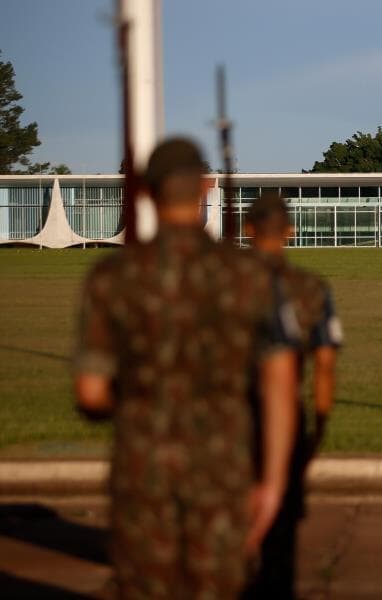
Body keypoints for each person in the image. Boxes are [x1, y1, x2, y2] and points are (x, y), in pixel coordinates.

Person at [73, 138, 299, 599]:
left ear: (144, 191)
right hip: (223, 473)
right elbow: (280, 383)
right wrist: (273, 482)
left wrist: (142, 402)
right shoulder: (253, 276)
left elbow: (91, 393)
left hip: (141, 474)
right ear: (204, 186)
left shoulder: (111, 277)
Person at [241, 191, 343, 600]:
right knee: (280, 541)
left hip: (229, 420)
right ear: (290, 232)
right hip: (286, 419)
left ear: (248, 230)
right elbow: (324, 364)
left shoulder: (223, 284)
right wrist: (319, 424)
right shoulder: (311, 288)